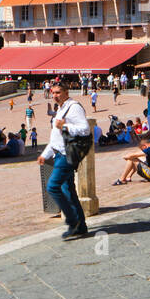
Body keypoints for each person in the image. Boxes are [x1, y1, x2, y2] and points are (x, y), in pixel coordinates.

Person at [37, 82, 92, 239]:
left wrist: (66, 126)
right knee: (69, 191)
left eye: (58, 92)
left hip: (66, 155)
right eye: (53, 92)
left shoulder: (74, 107)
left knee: (53, 187)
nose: (55, 95)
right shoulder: (60, 109)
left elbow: (85, 129)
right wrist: (45, 155)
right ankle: (81, 226)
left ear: (67, 92)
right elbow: (56, 138)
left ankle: (73, 221)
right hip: (59, 153)